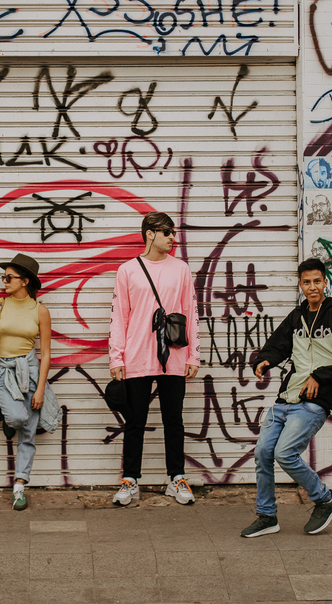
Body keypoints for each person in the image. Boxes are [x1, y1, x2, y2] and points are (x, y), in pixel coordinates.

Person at [240, 258, 332, 539]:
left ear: (325, 282)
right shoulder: (297, 317)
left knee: (285, 453)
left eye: (317, 281)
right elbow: (278, 344)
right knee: (263, 453)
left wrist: (321, 376)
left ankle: (324, 499)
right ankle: (267, 516)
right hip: (287, 398)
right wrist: (264, 361)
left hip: (314, 402)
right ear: (300, 285)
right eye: (306, 282)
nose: (312, 287)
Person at [109, 211, 200, 506]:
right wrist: (116, 358)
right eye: (167, 232)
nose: (173, 238)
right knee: (135, 421)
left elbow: (191, 314)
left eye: (173, 233)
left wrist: (193, 354)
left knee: (174, 420)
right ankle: (130, 479)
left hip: (173, 356)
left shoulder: (181, 269)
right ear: (150, 234)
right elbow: (119, 317)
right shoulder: (128, 270)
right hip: (137, 357)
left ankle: (176, 477)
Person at [0, 253, 61, 510]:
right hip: (3, 373)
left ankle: (20, 486)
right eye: (4, 277)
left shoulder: (40, 311)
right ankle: (7, 421)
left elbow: (47, 354)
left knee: (28, 434)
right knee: (18, 419)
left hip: (29, 372)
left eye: (9, 277)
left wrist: (41, 388)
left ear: (25, 281)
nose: (4, 281)